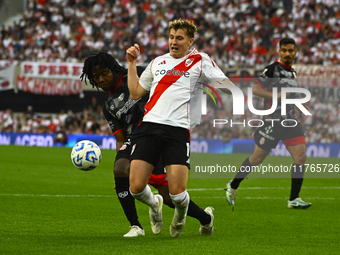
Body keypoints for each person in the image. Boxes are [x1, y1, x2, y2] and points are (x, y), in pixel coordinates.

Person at [80, 52, 214, 237]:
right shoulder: (109, 106)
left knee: (170, 197)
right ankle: (136, 226)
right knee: (120, 170)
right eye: (96, 77)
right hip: (135, 139)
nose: (101, 79)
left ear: (114, 70)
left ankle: (205, 219)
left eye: (104, 74)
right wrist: (123, 162)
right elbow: (120, 138)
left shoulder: (138, 77)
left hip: (161, 133)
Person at [126, 19, 234, 237]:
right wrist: (131, 63)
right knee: (136, 188)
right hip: (148, 126)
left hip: (176, 130)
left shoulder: (200, 60)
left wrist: (215, 86)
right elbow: (136, 92)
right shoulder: (157, 62)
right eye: (171, 37)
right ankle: (155, 203)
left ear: (190, 41)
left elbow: (228, 88)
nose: (173, 42)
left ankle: (193, 216)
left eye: (179, 38)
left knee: (177, 194)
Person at [225, 38, 312, 209]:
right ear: (279, 51)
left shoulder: (292, 73)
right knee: (256, 159)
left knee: (301, 156)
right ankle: (233, 185)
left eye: (291, 50)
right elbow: (256, 89)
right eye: (284, 50)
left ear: (295, 52)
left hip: (291, 121)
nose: (288, 53)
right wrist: (276, 97)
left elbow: (288, 95)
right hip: (273, 121)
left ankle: (294, 199)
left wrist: (299, 104)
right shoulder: (273, 69)